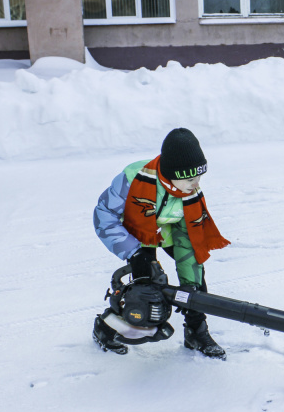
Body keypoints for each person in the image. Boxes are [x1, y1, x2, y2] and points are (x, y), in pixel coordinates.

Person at [92, 128, 231, 357]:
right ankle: (105, 329)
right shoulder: (134, 178)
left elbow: (187, 234)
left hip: (168, 230)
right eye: (190, 178)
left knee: (195, 277)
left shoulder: (188, 189)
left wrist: (189, 288)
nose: (196, 185)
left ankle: (196, 331)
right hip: (138, 230)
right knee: (146, 286)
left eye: (198, 178)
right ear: (171, 173)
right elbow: (103, 215)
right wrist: (135, 253)